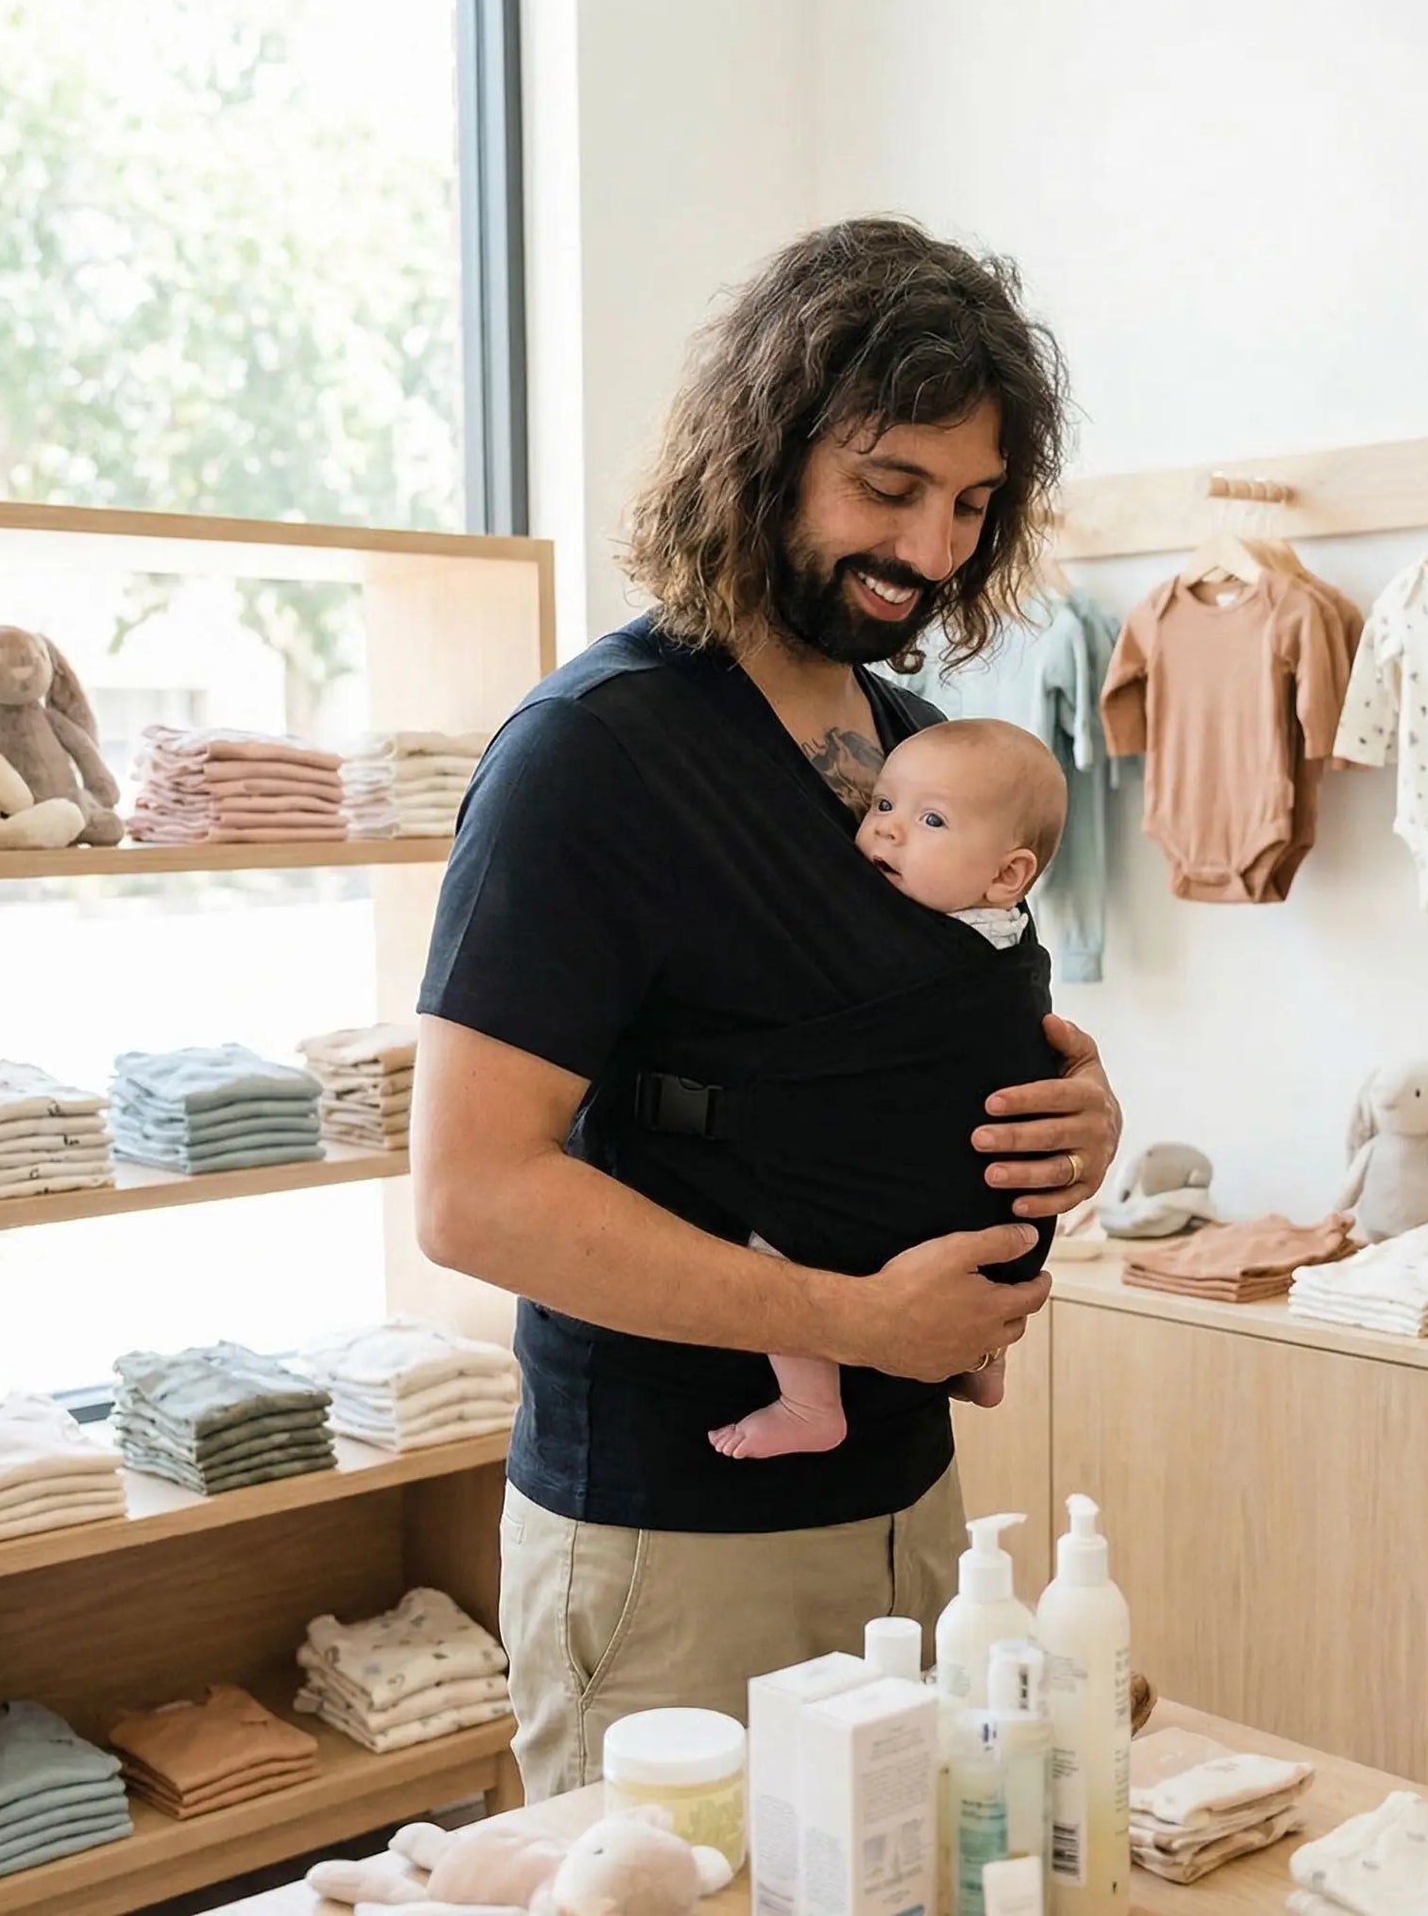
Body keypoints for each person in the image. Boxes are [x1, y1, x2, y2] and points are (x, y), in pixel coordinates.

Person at [413, 216, 1122, 1798]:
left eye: (971, 505)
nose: (930, 550)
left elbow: (934, 1047)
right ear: (763, 449)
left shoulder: (924, 750)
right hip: (673, 1536)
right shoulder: (591, 757)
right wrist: (856, 1323)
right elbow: (470, 1197)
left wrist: (1076, 1114)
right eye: (889, 488)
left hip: (914, 1507)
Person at [710, 717, 1071, 1461]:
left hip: (921, 1196)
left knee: (772, 1247)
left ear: (1008, 876)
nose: (890, 833)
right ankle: (985, 1361)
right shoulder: (1004, 936)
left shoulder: (906, 948)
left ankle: (810, 1402)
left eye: (930, 820)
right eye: (882, 807)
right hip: (1001, 1222)